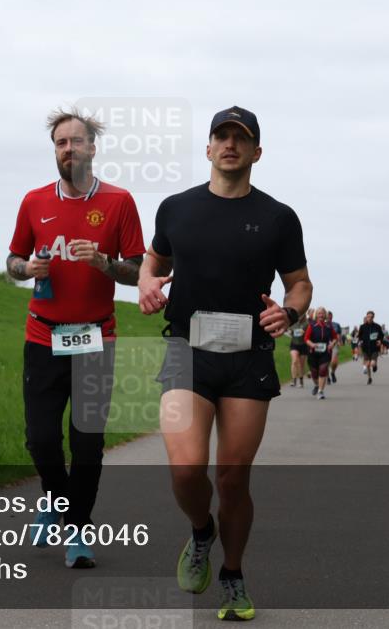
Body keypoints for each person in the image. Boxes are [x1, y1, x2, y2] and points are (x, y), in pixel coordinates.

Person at [138, 106, 312, 621]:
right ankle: (201, 532)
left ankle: (232, 573)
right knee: (187, 467)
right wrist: (148, 281)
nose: (230, 144)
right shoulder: (175, 208)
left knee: (233, 477)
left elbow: (299, 280)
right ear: (209, 148)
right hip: (186, 350)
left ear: (257, 152)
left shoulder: (279, 217)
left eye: (241, 138)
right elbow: (156, 259)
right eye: (221, 136)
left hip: (248, 357)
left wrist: (292, 310)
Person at [6, 108, 145, 569]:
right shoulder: (33, 201)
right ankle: (55, 500)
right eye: (60, 143)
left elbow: (138, 272)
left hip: (95, 338)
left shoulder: (119, 201)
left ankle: (78, 530)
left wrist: (104, 263)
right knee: (41, 440)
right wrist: (26, 269)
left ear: (92, 147)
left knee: (86, 442)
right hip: (43, 337)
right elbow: (12, 261)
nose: (68, 149)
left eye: (76, 141)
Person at [305, 308, 336, 399]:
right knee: (314, 372)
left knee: (323, 370)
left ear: (325, 315)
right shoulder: (312, 325)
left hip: (325, 352)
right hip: (313, 353)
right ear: (316, 315)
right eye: (319, 314)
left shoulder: (329, 326)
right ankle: (316, 385)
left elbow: (335, 337)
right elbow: (306, 338)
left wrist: (332, 344)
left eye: (322, 314)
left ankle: (320, 391)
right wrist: (312, 344)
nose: (321, 315)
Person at [358, 311, 383, 385]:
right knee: (368, 364)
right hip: (365, 348)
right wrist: (360, 341)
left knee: (372, 363)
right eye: (368, 317)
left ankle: (375, 366)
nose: (369, 318)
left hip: (374, 347)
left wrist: (379, 340)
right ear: (366, 317)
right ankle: (369, 378)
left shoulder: (377, 326)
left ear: (373, 317)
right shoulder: (362, 327)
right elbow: (359, 336)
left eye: (371, 317)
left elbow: (381, 335)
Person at [288, 315, 309, 388]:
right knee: (294, 361)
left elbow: (309, 334)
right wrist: (290, 331)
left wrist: (305, 332)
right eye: (299, 315)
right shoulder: (293, 323)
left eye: (302, 315)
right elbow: (289, 332)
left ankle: (301, 380)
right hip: (294, 344)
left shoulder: (307, 324)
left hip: (303, 345)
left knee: (301, 365)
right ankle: (293, 380)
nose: (300, 317)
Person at [326, 311, 342, 384]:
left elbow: (338, 334)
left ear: (332, 317)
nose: (329, 317)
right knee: (325, 362)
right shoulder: (323, 324)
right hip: (325, 344)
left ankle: (332, 372)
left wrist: (339, 341)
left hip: (334, 343)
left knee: (334, 362)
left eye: (330, 316)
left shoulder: (336, 325)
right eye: (328, 316)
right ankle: (327, 377)